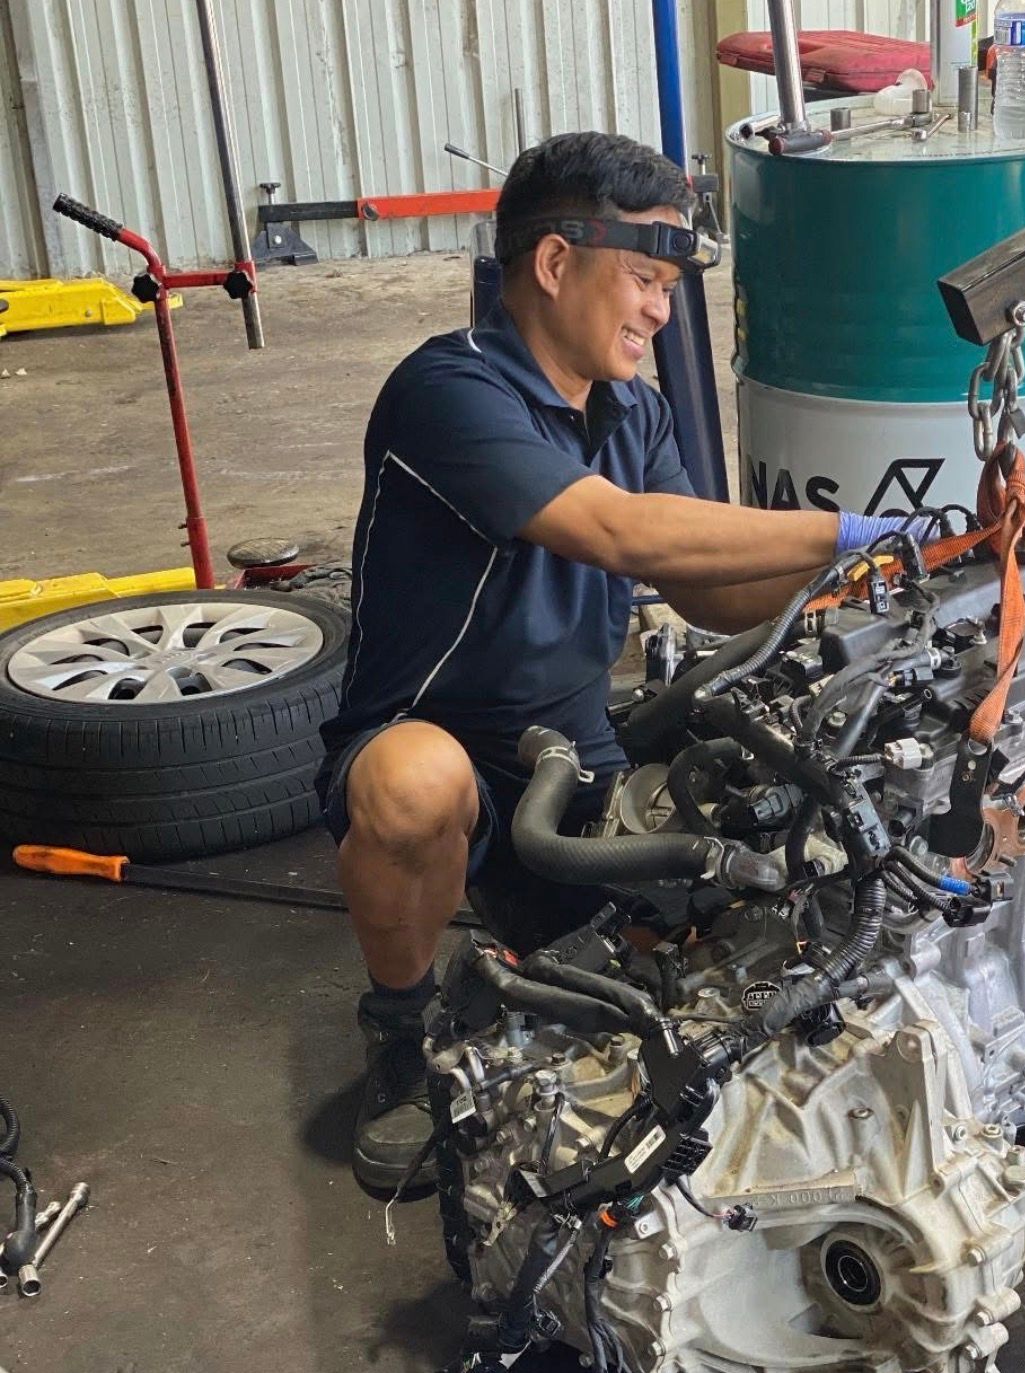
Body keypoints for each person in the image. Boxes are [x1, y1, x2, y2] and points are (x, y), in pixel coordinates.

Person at [317, 131, 919, 1191]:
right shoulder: (449, 391)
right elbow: (626, 535)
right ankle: (402, 1034)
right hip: (430, 739)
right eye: (644, 278)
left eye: (668, 286)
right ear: (554, 266)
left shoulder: (630, 409)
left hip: (575, 754)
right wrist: (853, 534)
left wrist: (891, 581)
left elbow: (705, 584)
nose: (659, 310)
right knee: (419, 787)